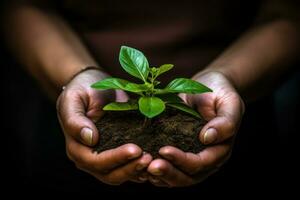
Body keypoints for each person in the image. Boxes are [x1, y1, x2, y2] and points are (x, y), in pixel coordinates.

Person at [2, 0, 299, 187]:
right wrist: (77, 75)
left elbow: (288, 13)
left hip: (228, 119)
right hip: (82, 112)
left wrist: (226, 78)